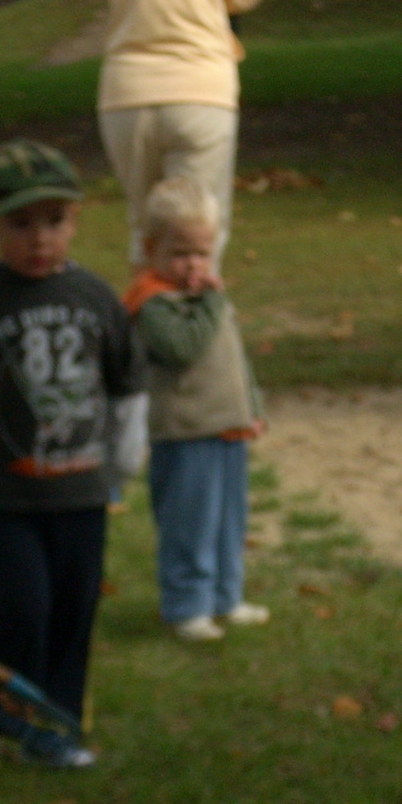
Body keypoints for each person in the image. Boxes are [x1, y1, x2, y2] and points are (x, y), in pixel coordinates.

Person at [0, 139, 148, 773]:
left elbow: (128, 383)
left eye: (55, 221)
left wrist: (124, 457)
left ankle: (53, 726)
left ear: (77, 221)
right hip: (6, 494)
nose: (40, 239)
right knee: (25, 607)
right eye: (20, 224)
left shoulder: (98, 298)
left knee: (74, 607)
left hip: (83, 491)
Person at [126, 177, 268, 642]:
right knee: (190, 524)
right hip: (185, 434)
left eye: (203, 253)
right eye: (181, 253)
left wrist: (252, 404)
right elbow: (183, 348)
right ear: (151, 249)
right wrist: (210, 298)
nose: (194, 264)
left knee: (229, 521)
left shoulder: (207, 297)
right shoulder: (153, 303)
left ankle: (226, 596)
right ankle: (186, 605)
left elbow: (232, 357)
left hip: (227, 427)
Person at [97, 0, 271, 268]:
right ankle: (193, 312)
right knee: (200, 229)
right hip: (200, 92)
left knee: (145, 226)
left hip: (126, 93)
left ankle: (147, 311)